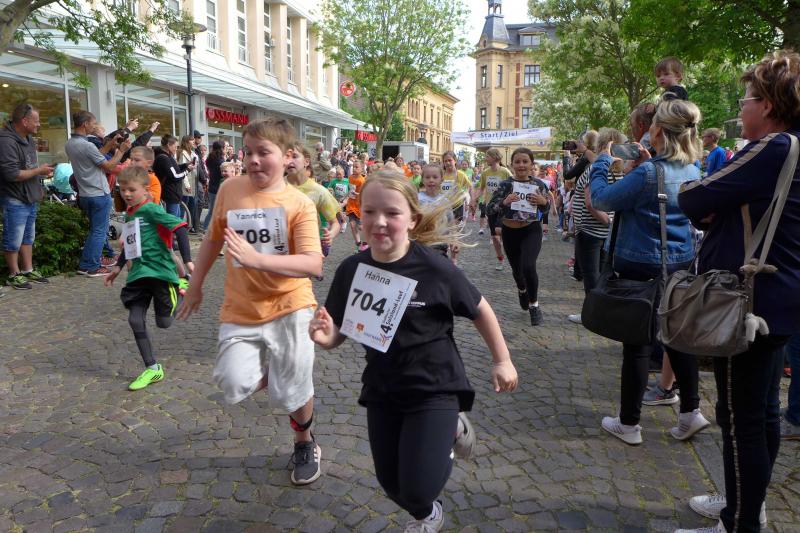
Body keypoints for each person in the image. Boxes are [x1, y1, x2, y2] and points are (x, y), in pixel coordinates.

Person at [309, 170, 518, 533]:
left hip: (435, 386)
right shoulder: (352, 269)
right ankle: (427, 512)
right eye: (370, 211)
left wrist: (503, 360)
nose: (379, 221)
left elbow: (480, 308)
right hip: (383, 387)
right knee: (391, 483)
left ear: (412, 220)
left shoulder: (435, 268)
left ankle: (449, 430)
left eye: (392, 213)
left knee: (418, 488)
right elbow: (341, 329)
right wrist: (325, 337)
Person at [674, 50, 800, 533]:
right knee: (763, 411)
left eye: (746, 99)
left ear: (767, 104)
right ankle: (748, 506)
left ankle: (739, 521)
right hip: (779, 298)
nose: (741, 108)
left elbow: (694, 197)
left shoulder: (772, 147)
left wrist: (717, 204)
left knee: (739, 418)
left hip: (750, 303)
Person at [178, 117, 324, 486]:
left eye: (264, 152)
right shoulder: (230, 189)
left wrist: (258, 259)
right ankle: (281, 371)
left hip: (291, 305)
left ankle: (304, 443)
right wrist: (195, 285)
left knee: (293, 389)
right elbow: (213, 239)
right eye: (248, 152)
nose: (254, 160)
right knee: (232, 383)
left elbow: (313, 263)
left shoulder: (300, 204)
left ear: (287, 156)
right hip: (242, 307)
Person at [589, 99, 709, 446]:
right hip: (680, 261)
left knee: (637, 342)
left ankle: (629, 423)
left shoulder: (647, 173)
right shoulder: (691, 168)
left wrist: (601, 163)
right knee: (677, 336)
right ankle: (690, 412)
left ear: (658, 131)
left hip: (641, 261)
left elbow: (602, 199)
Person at [104, 166, 193, 390]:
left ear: (146, 189)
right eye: (122, 189)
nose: (126, 194)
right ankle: (153, 369)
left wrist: (188, 260)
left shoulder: (152, 210)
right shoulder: (129, 214)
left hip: (160, 273)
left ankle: (182, 289)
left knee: (164, 323)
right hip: (138, 275)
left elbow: (181, 228)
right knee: (135, 320)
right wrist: (117, 268)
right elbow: (131, 244)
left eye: (132, 190)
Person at [487, 147, 551, 326]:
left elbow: (546, 209)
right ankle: (522, 290)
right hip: (510, 232)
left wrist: (543, 202)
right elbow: (489, 209)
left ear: (531, 164)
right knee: (517, 271)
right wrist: (504, 202)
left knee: (529, 266)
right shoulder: (505, 185)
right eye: (517, 162)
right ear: (512, 164)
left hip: (531, 230)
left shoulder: (539, 184)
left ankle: (534, 305)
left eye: (525, 161)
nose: (521, 165)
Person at [65, 111, 132, 277]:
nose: (95, 127)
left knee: (95, 230)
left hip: (85, 193)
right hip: (98, 193)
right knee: (99, 232)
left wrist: (109, 145)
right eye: (93, 123)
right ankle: (91, 266)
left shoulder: (71, 143)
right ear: (85, 124)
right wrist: (121, 151)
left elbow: (94, 157)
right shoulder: (87, 145)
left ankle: (86, 264)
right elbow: (108, 166)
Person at [0, 103, 53, 291]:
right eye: (36, 121)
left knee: (28, 236)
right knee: (13, 238)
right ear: (24, 121)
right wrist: (38, 171)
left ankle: (27, 269)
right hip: (14, 197)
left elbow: (29, 167)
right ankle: (13, 274)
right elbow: (12, 174)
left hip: (30, 196)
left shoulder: (28, 138)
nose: (39, 125)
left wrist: (39, 180)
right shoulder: (6, 141)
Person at [286, 144, 341, 257]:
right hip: (281, 251)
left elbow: (335, 223)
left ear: (306, 161)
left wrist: (330, 234)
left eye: (294, 156)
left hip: (307, 250)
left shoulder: (319, 191)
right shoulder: (275, 186)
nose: (289, 161)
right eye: (286, 157)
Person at [473, 148, 511, 271]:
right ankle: (500, 259)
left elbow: (513, 186)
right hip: (491, 207)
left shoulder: (505, 172)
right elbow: (481, 188)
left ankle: (512, 252)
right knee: (494, 237)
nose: (486, 159)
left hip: (504, 207)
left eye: (487, 156)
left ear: (495, 157)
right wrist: (474, 199)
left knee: (500, 231)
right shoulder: (485, 173)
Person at [153, 135, 193, 219]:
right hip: (170, 194)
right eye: (175, 146)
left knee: (176, 220)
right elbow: (175, 175)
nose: (176, 149)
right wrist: (187, 170)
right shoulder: (164, 158)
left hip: (174, 194)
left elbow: (175, 169)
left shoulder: (167, 156)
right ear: (168, 145)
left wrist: (186, 165)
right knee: (173, 221)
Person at [177, 135, 199, 231]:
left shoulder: (193, 153)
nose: (193, 142)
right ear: (186, 142)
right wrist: (187, 185)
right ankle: (179, 228)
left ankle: (188, 226)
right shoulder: (182, 153)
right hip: (186, 182)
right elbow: (182, 169)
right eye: (191, 140)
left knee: (191, 205)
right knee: (183, 206)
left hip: (192, 181)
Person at [346, 158, 368, 252]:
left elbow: (364, 193)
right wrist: (345, 198)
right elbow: (349, 190)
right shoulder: (350, 178)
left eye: (356, 167)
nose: (354, 169)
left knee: (360, 227)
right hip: (351, 204)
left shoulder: (362, 180)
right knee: (352, 224)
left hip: (359, 205)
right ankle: (358, 243)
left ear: (362, 169)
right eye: (353, 167)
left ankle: (366, 242)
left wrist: (357, 194)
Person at [203, 141, 225, 232]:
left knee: (212, 210)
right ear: (222, 148)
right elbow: (223, 174)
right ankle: (206, 228)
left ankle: (207, 228)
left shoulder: (210, 158)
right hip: (218, 188)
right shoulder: (220, 161)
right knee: (214, 211)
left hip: (212, 187)